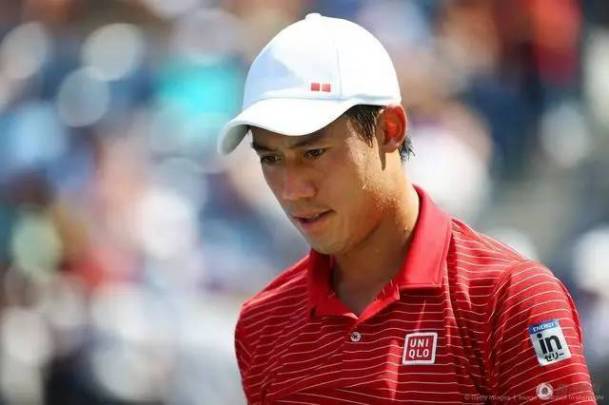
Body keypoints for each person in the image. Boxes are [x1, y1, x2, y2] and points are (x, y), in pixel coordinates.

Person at [218, 13, 596, 404]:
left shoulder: (510, 298)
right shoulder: (261, 324)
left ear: (390, 130)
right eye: (271, 159)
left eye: (314, 152)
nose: (292, 190)